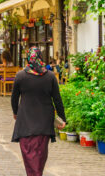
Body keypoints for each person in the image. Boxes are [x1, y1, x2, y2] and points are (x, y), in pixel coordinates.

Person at [11, 47, 66, 176]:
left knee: (28, 155)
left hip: (25, 121)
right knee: (40, 155)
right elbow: (57, 100)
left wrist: (15, 113)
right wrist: (62, 118)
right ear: (41, 57)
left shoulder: (20, 76)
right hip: (44, 123)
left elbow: (14, 98)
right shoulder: (50, 76)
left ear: (28, 58)